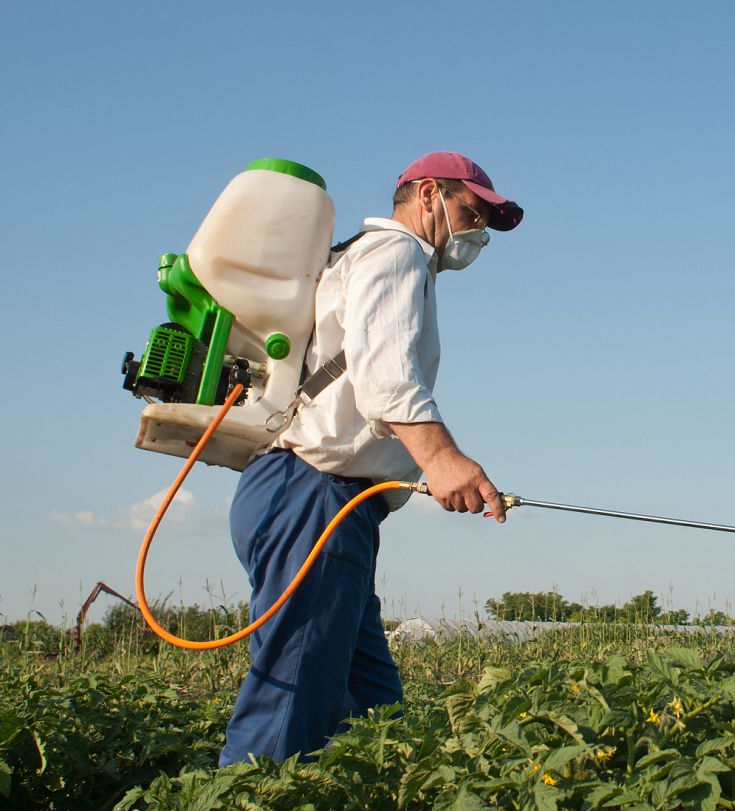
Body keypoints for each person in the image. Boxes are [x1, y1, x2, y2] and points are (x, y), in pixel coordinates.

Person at [218, 152, 523, 766]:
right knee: (290, 708)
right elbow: (385, 376)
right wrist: (442, 458)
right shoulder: (397, 252)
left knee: (375, 714)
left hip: (323, 501)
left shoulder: (370, 256)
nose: (478, 233)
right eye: (472, 213)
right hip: (314, 494)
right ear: (429, 194)